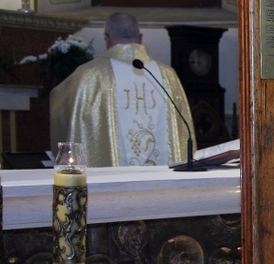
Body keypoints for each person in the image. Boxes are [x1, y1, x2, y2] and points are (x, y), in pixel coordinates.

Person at [50, 12, 196, 167]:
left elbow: (61, 111)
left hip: (109, 183)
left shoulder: (89, 75)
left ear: (107, 39)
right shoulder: (168, 75)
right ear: (140, 38)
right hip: (164, 182)